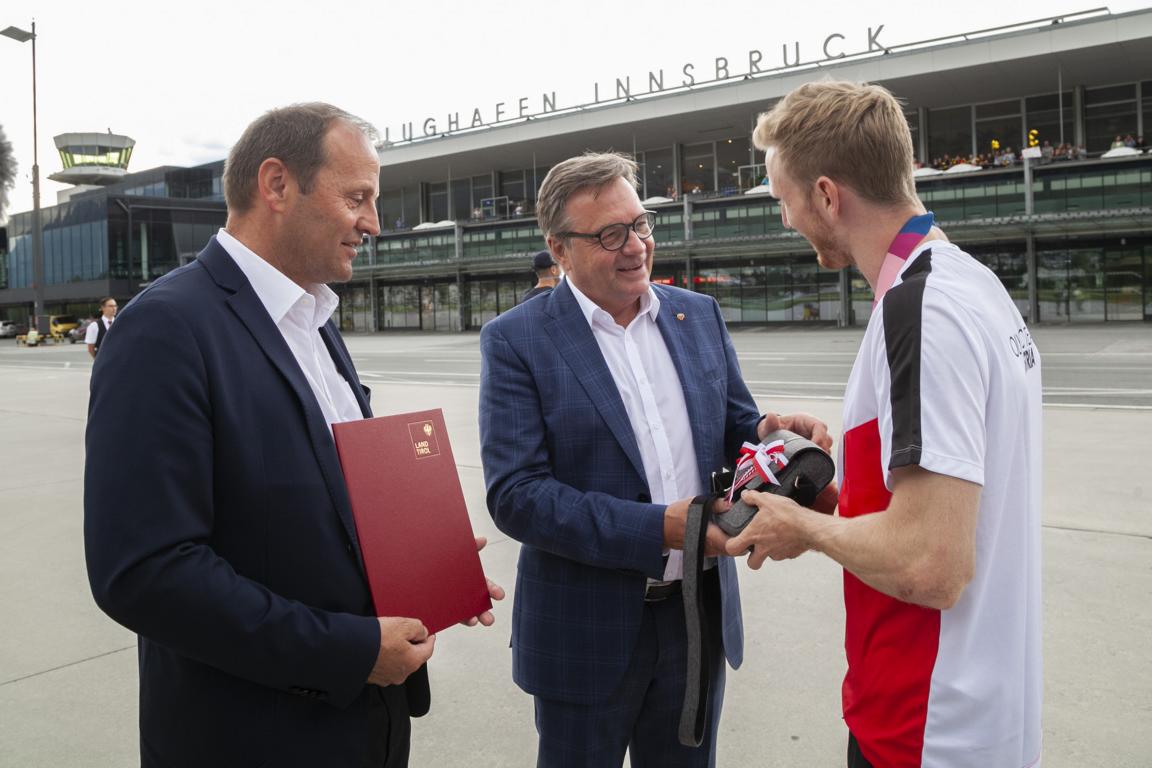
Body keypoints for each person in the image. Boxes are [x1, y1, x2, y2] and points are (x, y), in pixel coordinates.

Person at [84, 103, 502, 768]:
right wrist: (347, 652)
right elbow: (144, 571)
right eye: (356, 198)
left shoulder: (315, 323)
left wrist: (425, 560)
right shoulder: (165, 328)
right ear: (277, 185)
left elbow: (318, 504)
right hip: (253, 736)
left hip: (367, 725)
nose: (373, 223)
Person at [478, 151, 830, 768]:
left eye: (640, 224)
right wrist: (664, 528)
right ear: (559, 250)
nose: (636, 246)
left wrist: (769, 435)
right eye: (610, 235)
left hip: (696, 618)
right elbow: (518, 496)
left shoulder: (698, 315)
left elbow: (732, 429)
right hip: (584, 630)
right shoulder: (516, 339)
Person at [733, 81, 1043, 768]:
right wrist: (830, 504)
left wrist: (802, 528)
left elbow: (932, 565)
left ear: (826, 196)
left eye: (783, 200)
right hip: (982, 707)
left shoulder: (919, 310)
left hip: (927, 723)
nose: (785, 219)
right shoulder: (973, 285)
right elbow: (945, 512)